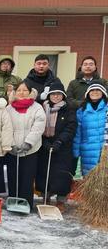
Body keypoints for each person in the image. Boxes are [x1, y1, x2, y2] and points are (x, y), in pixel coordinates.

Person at [35, 82, 77, 210]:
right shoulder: (43, 107)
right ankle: (45, 196)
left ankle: (61, 200)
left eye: (59, 94)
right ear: (49, 96)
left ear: (63, 95)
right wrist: (45, 141)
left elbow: (71, 127)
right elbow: (38, 125)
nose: (56, 96)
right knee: (44, 172)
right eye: (53, 94)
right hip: (45, 144)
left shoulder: (68, 109)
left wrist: (59, 142)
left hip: (62, 146)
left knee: (61, 174)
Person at [6, 82, 46, 210]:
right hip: (13, 149)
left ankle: (26, 202)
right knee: (13, 176)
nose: (21, 93)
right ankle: (13, 201)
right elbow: (6, 128)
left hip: (30, 150)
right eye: (19, 90)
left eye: (25, 90)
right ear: (15, 92)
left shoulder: (37, 107)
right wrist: (11, 144)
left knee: (27, 177)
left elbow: (39, 126)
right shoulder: (9, 108)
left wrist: (29, 142)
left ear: (30, 92)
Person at [72, 83, 108, 176]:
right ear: (88, 93)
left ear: (103, 93)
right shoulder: (82, 111)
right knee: (90, 181)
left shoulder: (106, 109)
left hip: (105, 150)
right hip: (87, 151)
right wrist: (76, 152)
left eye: (98, 90)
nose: (94, 92)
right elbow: (77, 133)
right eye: (92, 90)